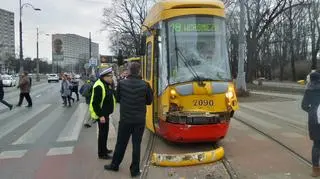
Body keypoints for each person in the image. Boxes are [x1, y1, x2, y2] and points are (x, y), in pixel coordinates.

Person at [104, 62, 153, 178]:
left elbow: (118, 98)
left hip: (125, 120)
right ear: (139, 71)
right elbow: (149, 101)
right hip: (139, 121)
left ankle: (115, 165)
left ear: (129, 71)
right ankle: (135, 171)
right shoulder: (145, 85)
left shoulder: (121, 84)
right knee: (137, 145)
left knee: (121, 143)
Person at [89, 67, 116, 160]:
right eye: (110, 76)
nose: (111, 78)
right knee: (102, 134)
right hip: (102, 115)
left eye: (112, 76)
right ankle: (102, 153)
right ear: (104, 77)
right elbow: (95, 103)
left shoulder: (105, 84)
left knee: (105, 133)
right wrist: (100, 116)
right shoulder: (99, 86)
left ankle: (104, 149)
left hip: (106, 114)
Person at [301, 71, 320, 177]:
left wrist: (312, 110)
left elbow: (303, 106)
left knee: (317, 144)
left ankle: (316, 170)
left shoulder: (308, 90)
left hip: (314, 119)